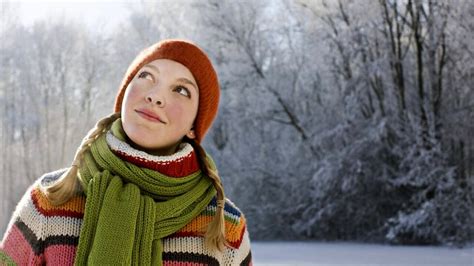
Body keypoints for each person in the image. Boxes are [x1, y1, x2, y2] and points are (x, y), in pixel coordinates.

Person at [0, 39, 252, 265]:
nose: (155, 96)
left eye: (181, 90)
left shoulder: (225, 225)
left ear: (194, 128)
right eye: (146, 76)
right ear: (123, 95)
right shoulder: (51, 197)